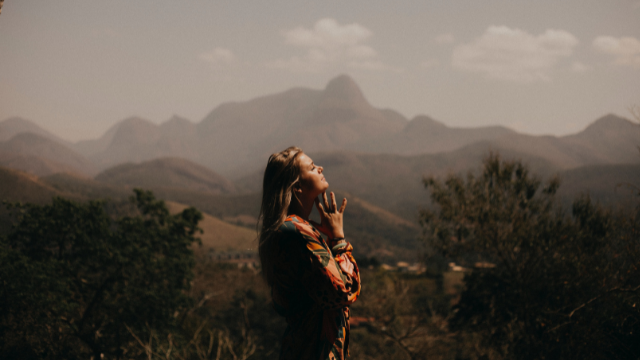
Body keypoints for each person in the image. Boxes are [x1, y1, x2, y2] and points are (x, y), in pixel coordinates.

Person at [258, 146, 361, 360]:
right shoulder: (295, 232)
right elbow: (343, 292)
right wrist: (339, 240)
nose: (320, 168)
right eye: (313, 168)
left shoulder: (291, 230)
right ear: (297, 187)